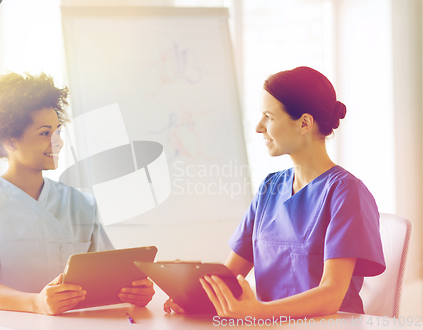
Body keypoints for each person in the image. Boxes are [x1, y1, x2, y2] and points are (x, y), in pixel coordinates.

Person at [164, 66, 385, 318]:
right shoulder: (270, 188)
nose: (259, 127)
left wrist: (260, 311)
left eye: (268, 117)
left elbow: (331, 295)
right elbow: (230, 277)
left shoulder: (346, 193)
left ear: (304, 123)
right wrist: (195, 296)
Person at [0, 72, 154, 315]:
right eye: (44, 133)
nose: (57, 142)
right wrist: (36, 303)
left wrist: (134, 290)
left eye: (57, 132)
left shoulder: (81, 203)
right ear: (10, 140)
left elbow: (108, 275)